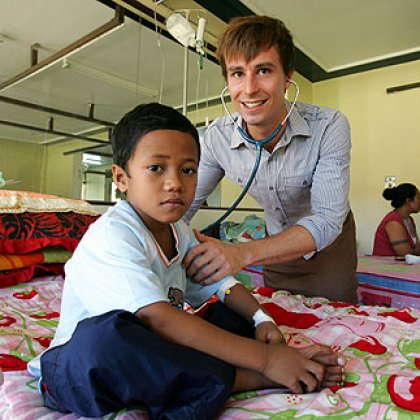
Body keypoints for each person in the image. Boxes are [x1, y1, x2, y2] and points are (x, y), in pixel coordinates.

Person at [27, 103, 345, 419]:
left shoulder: (179, 231)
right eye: (156, 168)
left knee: (231, 319)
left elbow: (220, 283)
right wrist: (265, 360)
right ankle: (254, 377)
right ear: (121, 178)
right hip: (76, 371)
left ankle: (227, 371)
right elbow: (159, 318)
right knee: (108, 340)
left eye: (187, 170)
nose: (175, 183)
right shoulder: (113, 235)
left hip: (154, 350)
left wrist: (262, 321)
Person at [183, 15, 357, 303]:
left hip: (330, 248)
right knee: (281, 314)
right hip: (273, 246)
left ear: (288, 77)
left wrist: (241, 253)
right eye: (238, 73)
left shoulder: (329, 125)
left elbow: (327, 220)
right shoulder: (216, 138)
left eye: (263, 70)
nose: (249, 89)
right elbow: (184, 204)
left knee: (338, 320)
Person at [373, 183, 420, 256]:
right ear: (408, 201)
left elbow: (417, 250)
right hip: (386, 265)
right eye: (418, 197)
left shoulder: (410, 220)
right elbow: (404, 254)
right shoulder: (393, 222)